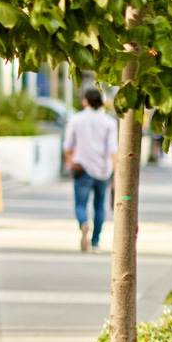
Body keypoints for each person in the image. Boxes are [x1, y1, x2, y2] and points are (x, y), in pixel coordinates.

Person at [63, 88, 118, 253]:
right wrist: (116, 174)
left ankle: (84, 223)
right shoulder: (109, 122)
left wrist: (70, 162)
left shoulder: (76, 119)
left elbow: (67, 146)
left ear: (85, 101)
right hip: (104, 170)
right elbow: (113, 150)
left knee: (80, 204)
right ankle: (95, 243)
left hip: (83, 168)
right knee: (100, 206)